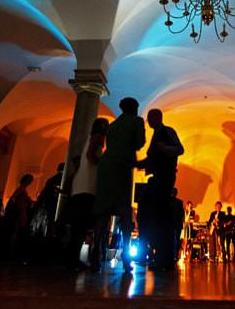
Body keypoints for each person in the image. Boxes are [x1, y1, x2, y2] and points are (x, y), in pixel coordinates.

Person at [92, 98, 146, 273]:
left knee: (102, 211)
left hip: (106, 166)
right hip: (122, 166)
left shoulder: (112, 126)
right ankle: (125, 258)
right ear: (135, 108)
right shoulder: (136, 121)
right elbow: (139, 143)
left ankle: (95, 253)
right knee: (124, 211)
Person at [136, 108, 184, 270]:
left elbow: (179, 149)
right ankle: (158, 254)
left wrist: (165, 149)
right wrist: (138, 164)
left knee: (159, 216)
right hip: (158, 178)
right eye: (148, 118)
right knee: (152, 214)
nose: (148, 120)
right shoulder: (156, 134)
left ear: (158, 117)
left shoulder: (167, 131)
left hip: (163, 179)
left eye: (151, 117)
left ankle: (163, 256)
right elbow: (152, 158)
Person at [68, 118, 109, 270]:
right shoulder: (98, 138)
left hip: (81, 186)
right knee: (82, 225)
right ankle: (73, 260)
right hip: (88, 186)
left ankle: (72, 259)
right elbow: (91, 156)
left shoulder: (90, 138)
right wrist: (103, 163)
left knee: (78, 226)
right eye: (106, 125)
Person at [5, 174, 34, 259]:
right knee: (15, 231)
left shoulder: (23, 189)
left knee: (16, 231)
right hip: (19, 211)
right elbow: (14, 197)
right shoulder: (21, 189)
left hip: (21, 211)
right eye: (30, 180)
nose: (31, 182)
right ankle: (11, 251)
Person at [171, 188, 185, 262]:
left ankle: (172, 256)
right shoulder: (179, 202)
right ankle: (175, 256)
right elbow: (182, 214)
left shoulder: (168, 201)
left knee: (171, 240)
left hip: (171, 224)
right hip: (177, 224)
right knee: (176, 240)